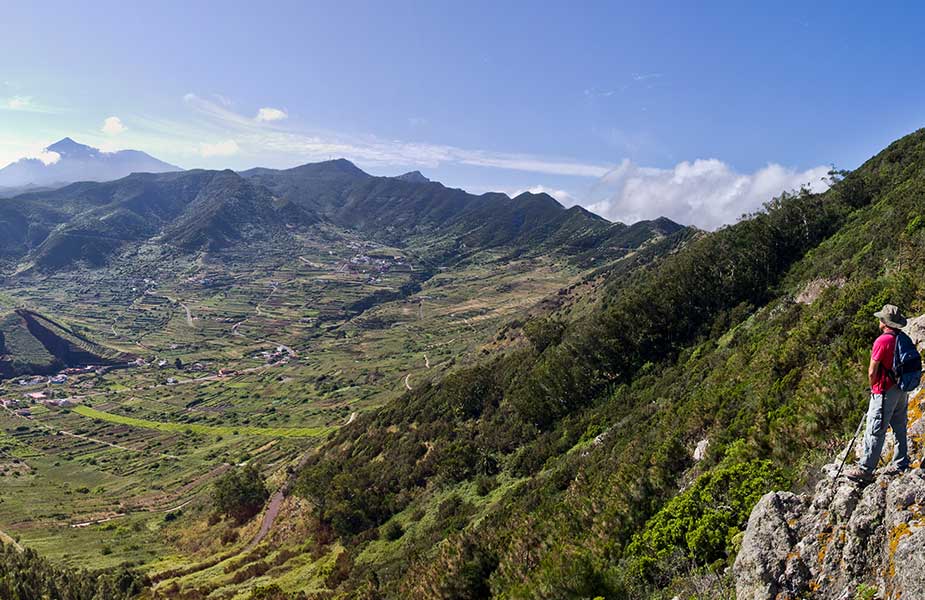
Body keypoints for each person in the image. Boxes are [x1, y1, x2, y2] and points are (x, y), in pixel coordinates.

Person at [845, 304, 911, 484]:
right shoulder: (902, 337)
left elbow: (872, 371)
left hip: (885, 391)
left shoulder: (882, 341)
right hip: (901, 389)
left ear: (884, 322)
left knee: (875, 429)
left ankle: (865, 470)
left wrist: (873, 388)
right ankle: (901, 463)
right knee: (899, 426)